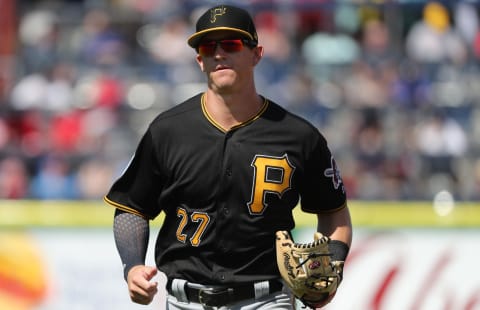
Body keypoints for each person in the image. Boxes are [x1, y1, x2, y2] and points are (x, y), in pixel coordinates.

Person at [104, 4, 352, 309]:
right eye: (208, 47)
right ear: (199, 61)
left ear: (256, 53)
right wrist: (132, 266)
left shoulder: (298, 136)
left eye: (232, 44)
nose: (219, 54)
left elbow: (333, 212)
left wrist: (332, 268)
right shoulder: (169, 130)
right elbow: (132, 207)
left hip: (267, 298)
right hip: (185, 299)